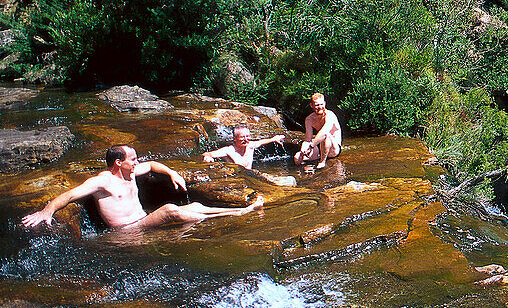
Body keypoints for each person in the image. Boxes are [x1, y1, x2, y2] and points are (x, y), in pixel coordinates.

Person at [22, 145, 263, 231]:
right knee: (170, 208)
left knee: (195, 205)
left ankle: (237, 210)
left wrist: (172, 172)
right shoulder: (102, 181)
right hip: (128, 232)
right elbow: (69, 195)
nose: (137, 162)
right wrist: (47, 211)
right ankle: (240, 213)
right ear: (119, 162)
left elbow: (153, 165)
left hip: (143, 221)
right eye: (133, 158)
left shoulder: (132, 172)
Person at [203, 125, 285, 171]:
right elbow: (209, 153)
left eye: (247, 136)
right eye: (242, 137)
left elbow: (261, 142)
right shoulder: (229, 150)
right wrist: (207, 156)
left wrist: (273, 139)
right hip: (237, 179)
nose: (246, 139)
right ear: (234, 139)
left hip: (250, 176)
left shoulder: (250, 146)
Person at [294, 93, 342, 170]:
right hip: (319, 146)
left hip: (333, 148)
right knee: (297, 159)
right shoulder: (309, 119)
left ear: (325, 103)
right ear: (311, 105)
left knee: (326, 135)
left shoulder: (330, 115)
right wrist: (303, 150)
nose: (320, 107)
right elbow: (308, 139)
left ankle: (322, 162)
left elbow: (324, 132)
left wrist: (311, 146)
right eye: (317, 105)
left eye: (321, 104)